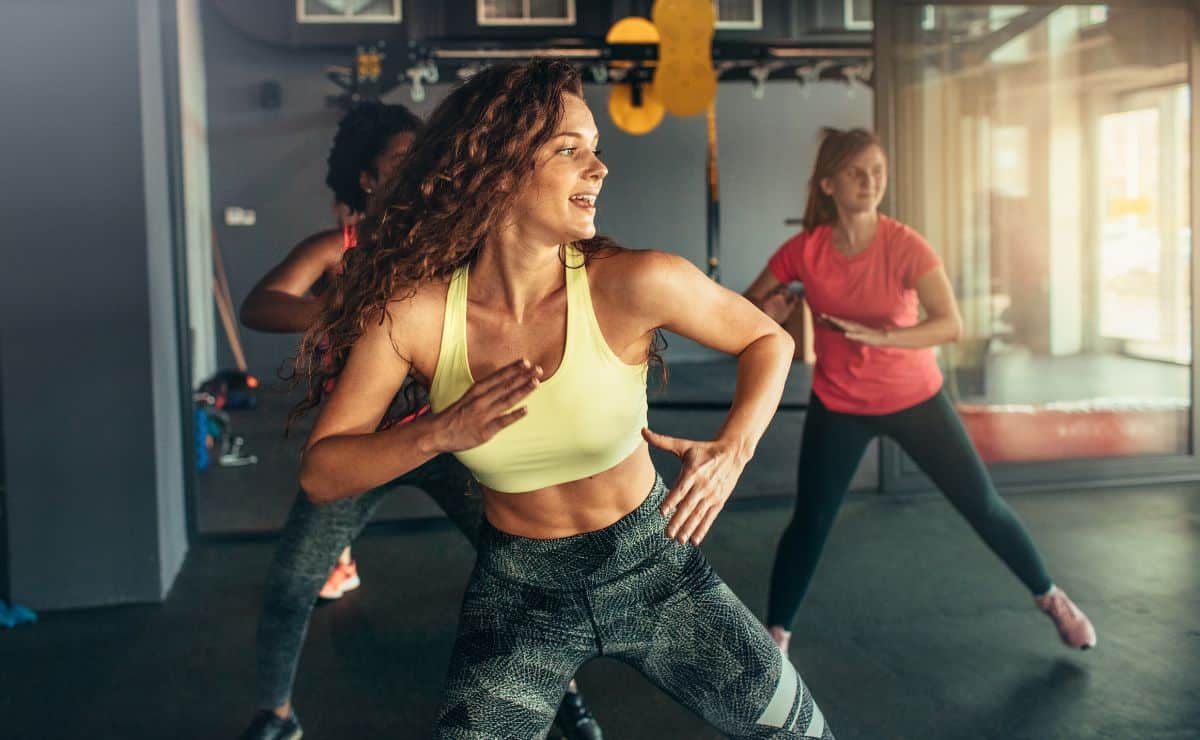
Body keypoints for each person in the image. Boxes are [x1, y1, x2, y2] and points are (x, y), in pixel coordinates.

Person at [294, 59, 835, 739]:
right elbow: (321, 473)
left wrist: (735, 447)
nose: (599, 169)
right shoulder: (416, 316)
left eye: (597, 149)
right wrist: (438, 431)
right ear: (498, 169)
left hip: (653, 566)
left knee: (804, 735)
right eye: (570, 150)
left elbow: (768, 340)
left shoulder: (636, 281)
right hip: (519, 592)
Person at [237, 102, 601, 740]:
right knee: (294, 580)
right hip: (362, 448)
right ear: (369, 178)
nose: (423, 172)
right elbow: (261, 304)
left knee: (523, 563)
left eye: (426, 158)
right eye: (404, 161)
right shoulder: (337, 250)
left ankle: (563, 691)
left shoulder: (452, 245)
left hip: (451, 438)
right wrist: (339, 313)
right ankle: (275, 716)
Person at [743, 127, 1097, 659]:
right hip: (840, 404)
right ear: (828, 184)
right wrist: (767, 315)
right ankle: (776, 639)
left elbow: (949, 324)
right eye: (857, 173)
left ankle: (1052, 598)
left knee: (981, 504)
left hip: (915, 400)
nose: (870, 182)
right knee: (811, 521)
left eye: (878, 172)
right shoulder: (804, 251)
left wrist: (883, 338)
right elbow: (742, 308)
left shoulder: (904, 244)